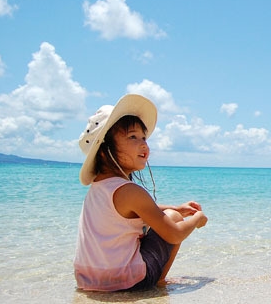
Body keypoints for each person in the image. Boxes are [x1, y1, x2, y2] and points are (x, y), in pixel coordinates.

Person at [73, 94, 208, 291]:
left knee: (170, 212)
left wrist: (175, 205)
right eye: (132, 137)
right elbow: (173, 235)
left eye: (144, 137)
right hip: (127, 281)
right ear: (104, 150)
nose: (144, 144)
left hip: (88, 280)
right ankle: (159, 281)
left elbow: (128, 212)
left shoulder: (99, 187)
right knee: (174, 218)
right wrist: (197, 219)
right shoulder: (130, 191)